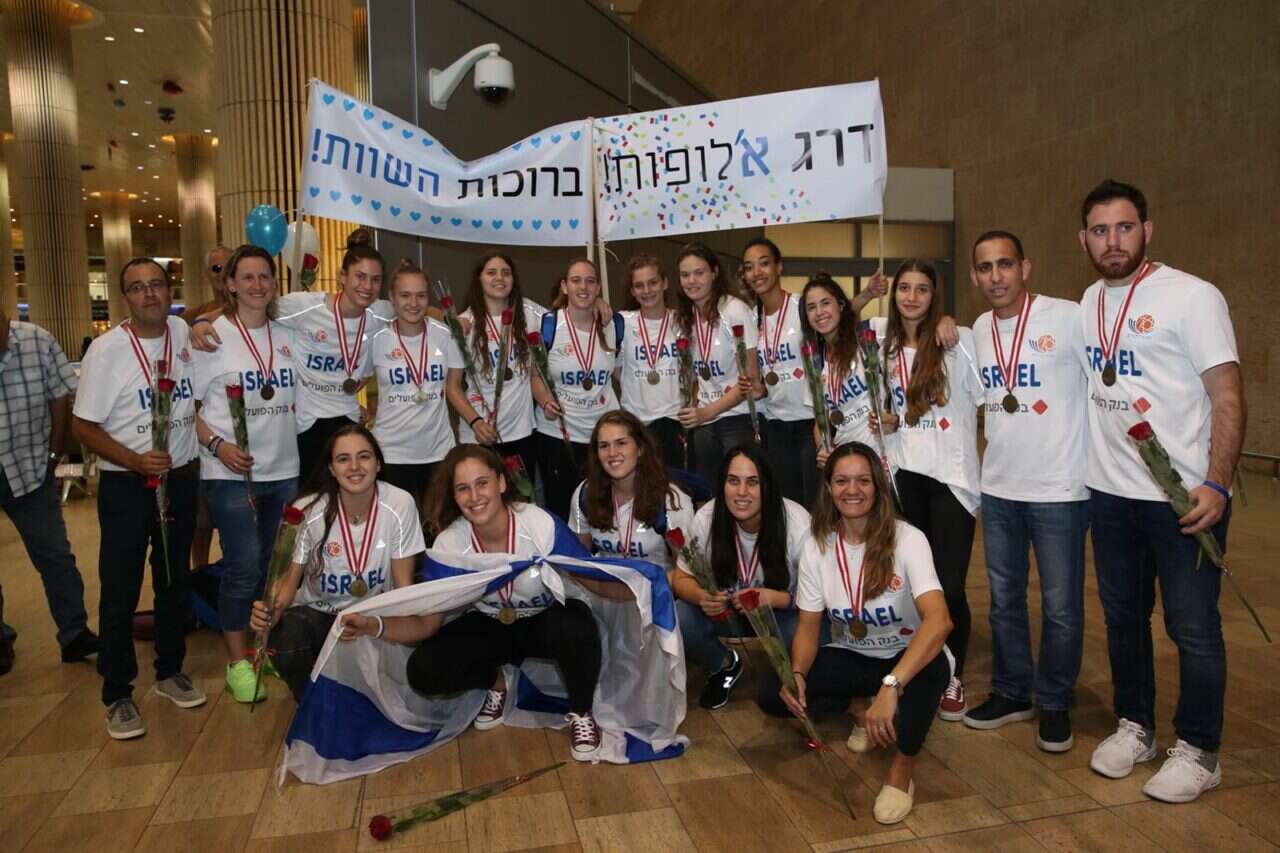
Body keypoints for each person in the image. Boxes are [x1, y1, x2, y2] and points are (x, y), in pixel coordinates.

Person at [1077, 180, 1244, 803]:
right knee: (1123, 618)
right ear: (1084, 240)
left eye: (1124, 227)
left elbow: (1228, 395)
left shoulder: (1193, 297)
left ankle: (1199, 750)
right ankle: (1136, 726)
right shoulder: (1089, 300)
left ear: (1147, 231)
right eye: (1100, 231)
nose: (1112, 241)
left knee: (1192, 627)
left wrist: (1217, 483)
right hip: (1109, 494)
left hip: (1183, 500)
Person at [353, 445, 625, 761]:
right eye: (463, 488)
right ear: (454, 496)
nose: (474, 496)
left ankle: (582, 712)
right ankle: (497, 684)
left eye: (482, 483)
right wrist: (374, 625)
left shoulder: (538, 524)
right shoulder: (449, 544)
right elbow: (426, 625)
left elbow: (593, 578)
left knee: (576, 625)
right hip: (492, 625)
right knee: (424, 670)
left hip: (545, 618)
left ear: (501, 483)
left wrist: (645, 588)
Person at [760, 442, 952, 825]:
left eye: (863, 481)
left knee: (931, 672)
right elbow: (809, 627)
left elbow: (940, 621)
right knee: (773, 692)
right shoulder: (817, 546)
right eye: (842, 481)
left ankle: (902, 769)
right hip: (855, 655)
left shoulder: (908, 539)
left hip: (907, 657)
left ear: (878, 486)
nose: (852, 490)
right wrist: (797, 673)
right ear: (828, 488)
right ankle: (860, 710)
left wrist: (892, 686)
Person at [962, 230, 1088, 753]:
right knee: (1004, 601)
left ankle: (1054, 699)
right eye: (985, 267)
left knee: (1060, 606)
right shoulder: (978, 330)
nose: (996, 276)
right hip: (999, 488)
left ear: (1025, 267)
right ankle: (1013, 691)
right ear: (975, 276)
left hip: (1060, 488)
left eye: (1005, 264)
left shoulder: (1068, 317)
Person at [72, 258, 207, 738]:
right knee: (121, 587)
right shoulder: (107, 351)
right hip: (127, 484)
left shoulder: (182, 332)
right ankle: (117, 694)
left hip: (181, 479)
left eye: (157, 285)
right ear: (124, 297)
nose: (149, 294)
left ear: (169, 290)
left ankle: (170, 671)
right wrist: (135, 460)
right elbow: (83, 426)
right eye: (137, 288)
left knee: (173, 580)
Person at [191, 231, 391, 479]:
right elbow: (251, 303)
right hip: (306, 425)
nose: (367, 286)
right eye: (360, 276)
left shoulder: (381, 313)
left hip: (349, 420)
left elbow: (416, 308)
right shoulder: (304, 306)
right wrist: (201, 320)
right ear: (342, 276)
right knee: (312, 497)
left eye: (375, 280)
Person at [192, 245, 300, 703]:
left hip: (285, 469)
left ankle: (260, 648)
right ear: (231, 284)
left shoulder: (287, 335)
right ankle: (237, 661)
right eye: (248, 277)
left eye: (265, 277)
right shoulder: (210, 339)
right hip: (228, 472)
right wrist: (218, 445)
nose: (258, 285)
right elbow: (187, 410)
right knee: (243, 565)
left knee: (273, 568)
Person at [877, 260, 982, 720]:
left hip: (951, 480)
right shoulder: (881, 345)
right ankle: (922, 664)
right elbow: (832, 318)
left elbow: (982, 392)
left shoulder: (957, 340)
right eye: (904, 288)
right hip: (905, 476)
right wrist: (887, 420)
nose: (912, 297)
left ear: (934, 295)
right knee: (916, 583)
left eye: (922, 289)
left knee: (950, 585)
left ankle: (953, 673)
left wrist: (949, 323)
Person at [249, 425, 425, 701]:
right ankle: (312, 702)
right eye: (343, 459)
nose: (354, 467)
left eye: (364, 456)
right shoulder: (307, 510)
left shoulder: (400, 503)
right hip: (320, 615)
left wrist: (384, 625)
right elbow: (289, 583)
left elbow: (403, 586)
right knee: (286, 639)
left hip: (374, 616)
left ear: (378, 464)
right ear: (331, 468)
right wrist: (269, 612)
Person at [742, 238, 885, 505]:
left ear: (779, 266)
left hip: (811, 419)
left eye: (764, 263)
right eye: (749, 267)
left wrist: (866, 294)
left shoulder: (802, 305)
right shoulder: (752, 317)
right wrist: (759, 387)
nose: (757, 272)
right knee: (787, 503)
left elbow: (837, 317)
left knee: (817, 501)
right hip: (776, 421)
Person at [672, 443, 811, 709]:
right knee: (680, 616)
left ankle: (788, 674)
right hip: (727, 612)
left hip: (780, 614)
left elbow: (819, 602)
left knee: (812, 631)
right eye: (733, 481)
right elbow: (680, 579)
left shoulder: (798, 524)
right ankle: (723, 664)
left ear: (767, 486)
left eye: (753, 482)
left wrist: (774, 598)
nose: (742, 492)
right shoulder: (707, 517)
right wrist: (702, 597)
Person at [0, 305, 96, 676]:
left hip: (29, 468)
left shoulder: (37, 341)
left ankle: (74, 634)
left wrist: (54, 453)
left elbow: (61, 396)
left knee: (55, 555)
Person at [532, 258, 622, 520]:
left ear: (598, 288)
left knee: (602, 511)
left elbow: (621, 373)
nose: (583, 287)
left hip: (602, 437)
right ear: (564, 286)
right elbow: (535, 375)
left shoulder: (613, 324)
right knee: (561, 511)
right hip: (558, 435)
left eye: (590, 281)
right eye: (576, 280)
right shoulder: (548, 325)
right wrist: (545, 401)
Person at [445, 253, 545, 479]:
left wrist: (597, 302)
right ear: (478, 279)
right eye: (491, 272)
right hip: (479, 434)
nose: (499, 278)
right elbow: (452, 386)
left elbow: (569, 314)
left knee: (520, 497)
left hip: (521, 434)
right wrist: (475, 422)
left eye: (506, 273)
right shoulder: (465, 323)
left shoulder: (529, 313)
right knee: (482, 495)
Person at [367, 259, 454, 513]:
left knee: (437, 526)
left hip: (438, 452)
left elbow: (456, 387)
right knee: (396, 527)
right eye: (405, 295)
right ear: (392, 298)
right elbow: (355, 379)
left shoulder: (445, 335)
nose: (413, 303)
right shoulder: (377, 340)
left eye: (421, 295)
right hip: (391, 453)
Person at [674, 242, 759, 485]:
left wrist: (705, 413)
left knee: (740, 491)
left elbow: (750, 379)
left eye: (699, 273)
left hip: (737, 419)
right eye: (685, 275)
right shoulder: (686, 317)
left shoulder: (734, 310)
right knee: (709, 494)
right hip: (704, 424)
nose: (692, 281)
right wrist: (695, 409)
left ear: (714, 273)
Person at [569, 410, 695, 569]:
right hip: (603, 584)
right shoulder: (585, 493)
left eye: (621, 443)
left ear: (640, 448)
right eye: (604, 446)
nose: (612, 453)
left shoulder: (671, 500)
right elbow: (579, 562)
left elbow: (687, 573)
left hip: (658, 584)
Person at [799, 275, 885, 468]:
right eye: (811, 307)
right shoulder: (815, 362)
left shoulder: (869, 333)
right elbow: (820, 420)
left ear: (841, 305)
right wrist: (823, 447)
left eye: (825, 303)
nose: (819, 312)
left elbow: (912, 329)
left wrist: (942, 322)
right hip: (846, 460)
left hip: (883, 455)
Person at [186, 244, 234, 572]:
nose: (223, 273)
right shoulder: (191, 319)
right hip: (204, 436)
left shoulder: (258, 313)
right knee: (201, 522)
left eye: (230, 266)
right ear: (208, 275)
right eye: (217, 268)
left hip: (245, 434)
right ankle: (200, 576)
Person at [617, 255, 684, 470]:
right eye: (639, 285)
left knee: (675, 484)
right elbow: (615, 368)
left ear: (665, 283)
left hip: (676, 420)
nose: (647, 291)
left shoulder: (682, 321)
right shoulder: (622, 322)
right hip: (637, 423)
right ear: (632, 291)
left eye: (653, 282)